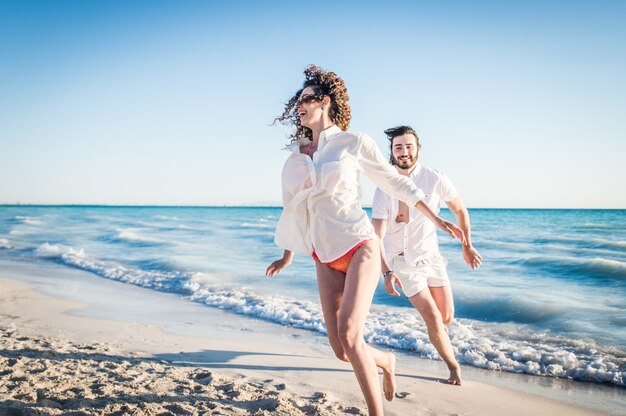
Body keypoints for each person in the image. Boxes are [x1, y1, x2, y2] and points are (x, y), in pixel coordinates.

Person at [265, 65, 465, 416]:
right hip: (323, 254)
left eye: (306, 99)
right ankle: (386, 360)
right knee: (342, 349)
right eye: (297, 101)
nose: (299, 105)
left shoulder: (351, 142)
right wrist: (287, 256)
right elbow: (292, 208)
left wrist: (435, 218)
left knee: (350, 332)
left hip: (360, 245)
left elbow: (394, 182)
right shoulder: (296, 155)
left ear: (324, 102)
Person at [371, 125, 483, 386]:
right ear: (392, 151)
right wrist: (386, 272)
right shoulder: (382, 188)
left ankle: (437, 335)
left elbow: (460, 211)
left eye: (409, 146)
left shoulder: (435, 178)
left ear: (418, 149)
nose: (404, 151)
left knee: (446, 317)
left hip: (431, 258)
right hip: (402, 262)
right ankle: (453, 367)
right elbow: (376, 235)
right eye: (398, 147)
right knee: (433, 318)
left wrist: (467, 245)